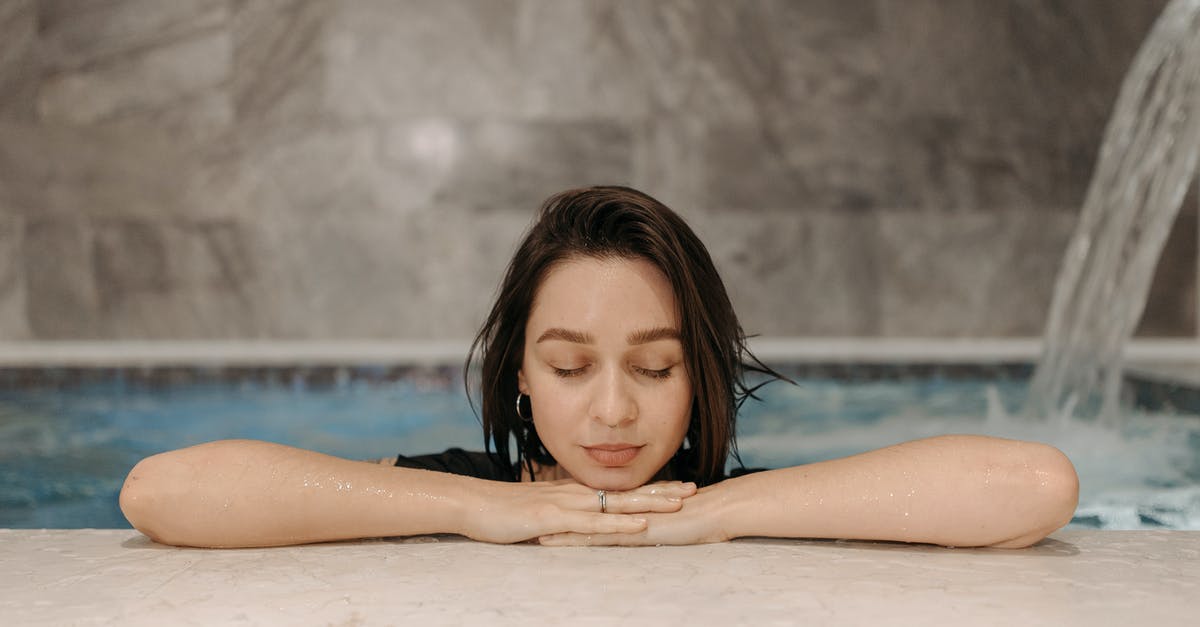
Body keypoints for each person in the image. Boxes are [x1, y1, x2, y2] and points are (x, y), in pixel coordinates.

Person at [119, 186, 1079, 549]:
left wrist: (719, 510)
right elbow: (162, 491)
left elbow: (1035, 484)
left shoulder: (728, 505)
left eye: (656, 369)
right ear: (522, 375)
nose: (613, 410)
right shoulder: (465, 492)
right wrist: (479, 506)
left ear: (699, 374)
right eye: (571, 366)